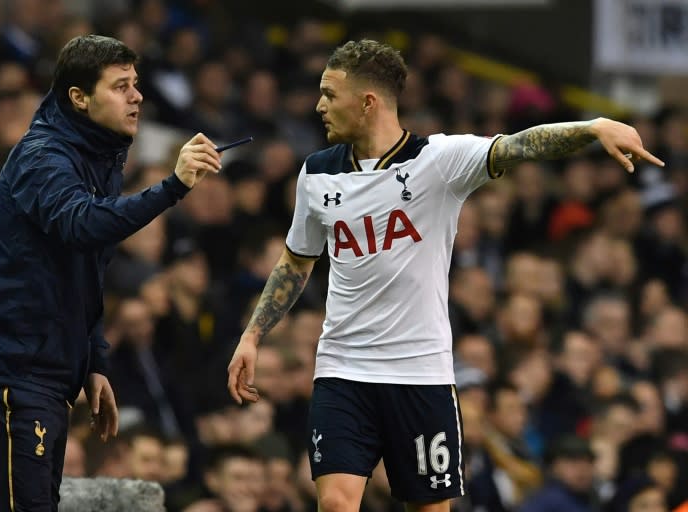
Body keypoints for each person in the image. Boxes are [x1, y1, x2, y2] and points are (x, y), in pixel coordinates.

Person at [226, 38, 663, 512]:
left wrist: (592, 126)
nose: (319, 105)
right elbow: (296, 261)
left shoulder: (440, 161)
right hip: (342, 369)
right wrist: (253, 334)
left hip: (420, 373)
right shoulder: (317, 174)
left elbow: (520, 146)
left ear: (367, 102)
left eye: (330, 94)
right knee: (335, 503)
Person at [0, 34, 222, 512]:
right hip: (6, 369)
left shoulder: (99, 154)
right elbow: (83, 225)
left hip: (47, 371)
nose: (136, 96)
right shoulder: (42, 157)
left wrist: (93, 362)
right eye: (120, 86)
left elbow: (88, 267)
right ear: (79, 97)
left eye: (135, 84)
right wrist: (173, 186)